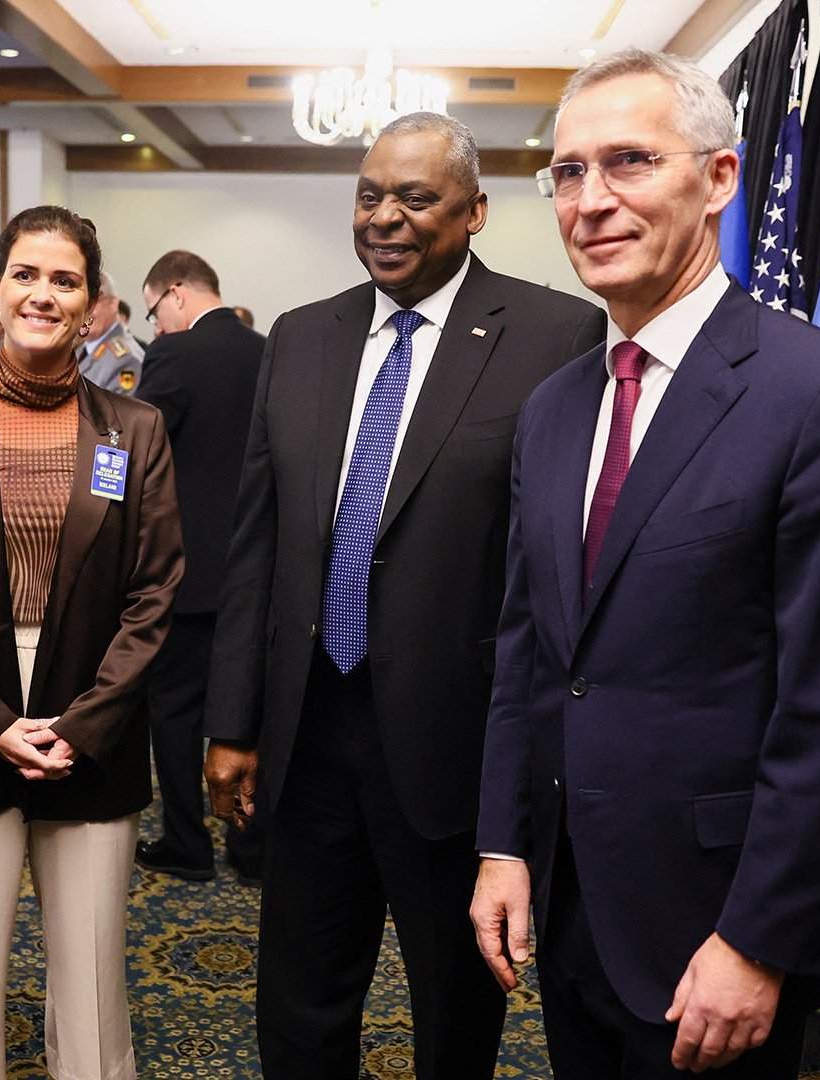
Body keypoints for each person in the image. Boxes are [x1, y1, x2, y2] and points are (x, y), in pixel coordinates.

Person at [468, 50, 820, 1080]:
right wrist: (505, 842)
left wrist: (759, 939)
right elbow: (529, 653)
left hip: (718, 933)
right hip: (570, 912)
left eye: (629, 161)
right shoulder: (552, 409)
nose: (591, 200)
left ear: (718, 179)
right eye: (568, 172)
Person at [202, 113, 603, 1080]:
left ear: (474, 212)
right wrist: (233, 721)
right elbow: (258, 546)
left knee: (453, 1017)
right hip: (308, 734)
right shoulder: (301, 337)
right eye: (370, 195)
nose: (385, 217)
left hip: (455, 746)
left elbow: (552, 568)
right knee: (299, 1006)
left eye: (416, 199)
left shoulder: (556, 335)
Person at [0, 205, 182, 1080]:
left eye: (66, 280)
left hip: (94, 723)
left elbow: (155, 590)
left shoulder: (135, 429)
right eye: (26, 274)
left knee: (93, 982)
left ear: (92, 303)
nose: (43, 294)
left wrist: (85, 723)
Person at [132, 249, 266, 883]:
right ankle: (251, 846)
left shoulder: (174, 355)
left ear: (177, 292)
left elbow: (138, 451)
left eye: (154, 310)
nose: (156, 324)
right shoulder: (270, 351)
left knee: (176, 712)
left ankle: (187, 843)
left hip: (189, 574)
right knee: (248, 713)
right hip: (258, 573)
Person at [78, 270, 145, 394]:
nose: (84, 311)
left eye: (92, 302)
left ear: (113, 304)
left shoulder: (126, 361)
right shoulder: (79, 349)